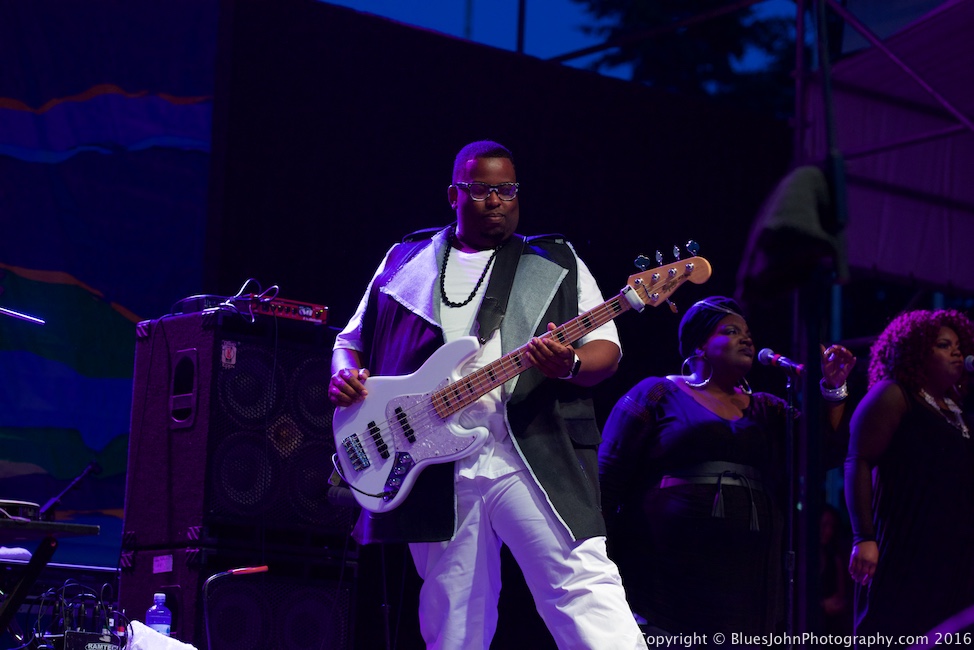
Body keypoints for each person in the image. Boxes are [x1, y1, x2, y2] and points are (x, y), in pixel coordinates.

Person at [328, 140, 647, 649]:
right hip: (432, 461)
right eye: (480, 189)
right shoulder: (407, 258)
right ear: (453, 195)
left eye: (507, 189)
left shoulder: (556, 260)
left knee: (581, 584)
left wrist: (569, 363)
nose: (496, 200)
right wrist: (345, 377)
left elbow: (605, 349)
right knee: (454, 617)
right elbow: (350, 342)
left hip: (529, 450)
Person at [598, 296, 856, 640]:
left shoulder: (767, 409)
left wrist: (832, 388)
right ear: (700, 345)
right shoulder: (658, 393)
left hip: (747, 583)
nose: (746, 339)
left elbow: (822, 452)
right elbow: (608, 478)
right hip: (666, 577)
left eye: (748, 333)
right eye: (731, 331)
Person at [844, 309, 974, 641]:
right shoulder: (894, 394)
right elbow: (859, 460)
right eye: (944, 345)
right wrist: (863, 537)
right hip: (906, 544)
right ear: (916, 351)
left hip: (952, 551)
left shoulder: (957, 408)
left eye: (959, 346)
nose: (956, 353)